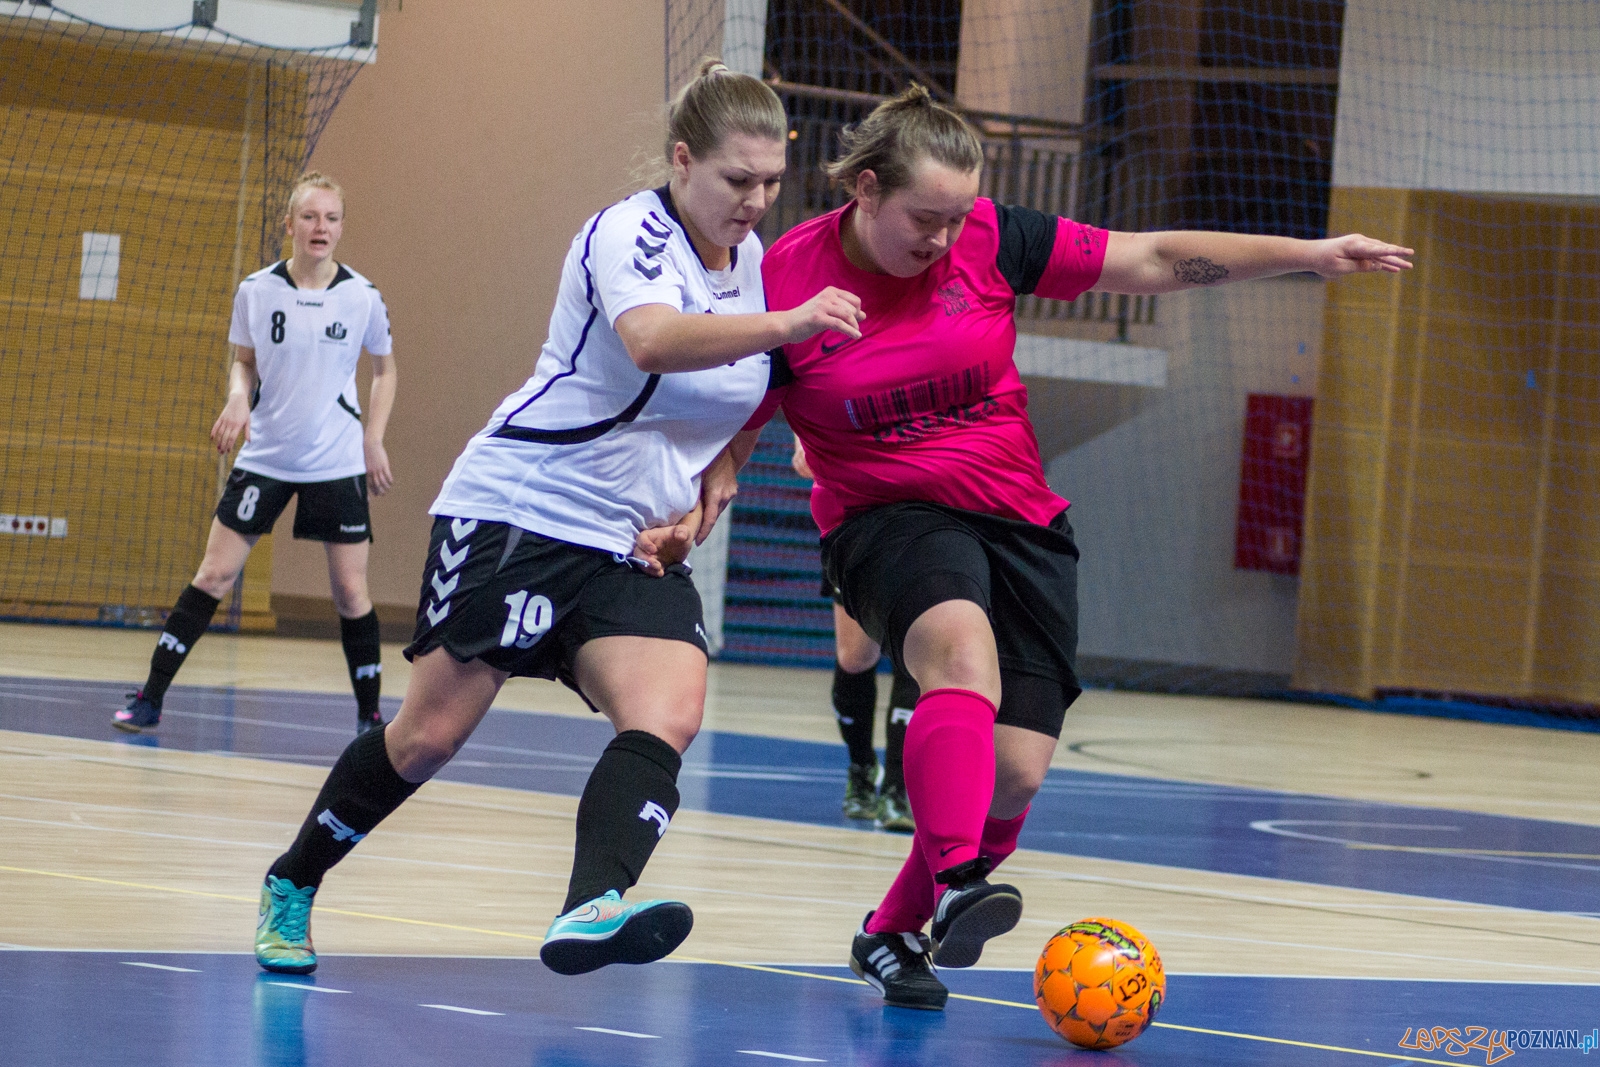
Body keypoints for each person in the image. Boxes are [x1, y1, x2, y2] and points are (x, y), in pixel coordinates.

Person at [738, 86, 1412, 1010]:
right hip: (885, 514)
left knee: (1014, 772)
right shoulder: (781, 272)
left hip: (1018, 516)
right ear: (863, 188)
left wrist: (1310, 255)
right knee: (959, 660)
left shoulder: (991, 239)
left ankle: (890, 931)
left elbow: (1156, 257)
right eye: (922, 218)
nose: (941, 238)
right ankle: (960, 880)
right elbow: (738, 392)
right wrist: (711, 479)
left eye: (956, 217)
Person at [251, 61, 865, 978]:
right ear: (684, 160)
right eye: (739, 180)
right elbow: (652, 339)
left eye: (773, 181)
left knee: (669, 709)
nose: (757, 200)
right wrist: (789, 322)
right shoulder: (629, 233)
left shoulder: (751, 268)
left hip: (629, 541)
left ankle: (592, 903)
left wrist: (720, 477)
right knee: (427, 738)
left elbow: (746, 399)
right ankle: (293, 879)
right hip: (523, 509)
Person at [113, 172, 397, 737]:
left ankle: (370, 720)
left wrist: (372, 438)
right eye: (311, 217)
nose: (321, 228)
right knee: (214, 576)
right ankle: (151, 697)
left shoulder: (362, 296)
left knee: (349, 592)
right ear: (289, 224)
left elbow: (385, 369)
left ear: (341, 228)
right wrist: (238, 401)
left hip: (335, 461)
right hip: (266, 455)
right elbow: (243, 361)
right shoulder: (256, 290)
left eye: (332, 218)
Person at [792, 437, 917, 832]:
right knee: (855, 657)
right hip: (855, 516)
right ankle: (862, 767)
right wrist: (807, 444)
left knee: (914, 656)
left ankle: (899, 790)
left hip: (920, 515)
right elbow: (803, 452)